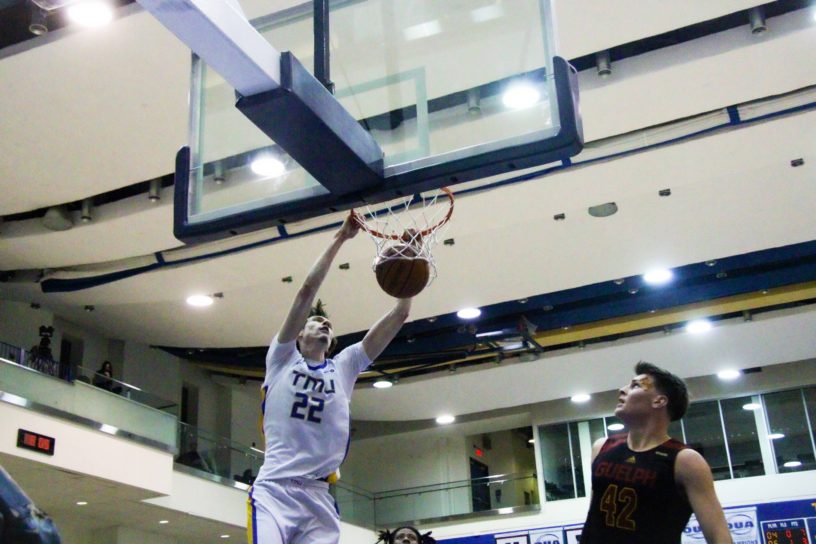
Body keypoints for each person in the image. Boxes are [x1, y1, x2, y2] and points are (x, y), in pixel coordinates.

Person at [248, 214, 414, 544]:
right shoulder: (282, 359)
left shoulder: (343, 367)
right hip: (275, 490)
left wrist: (409, 267)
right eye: (317, 321)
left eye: (329, 325)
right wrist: (340, 239)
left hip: (319, 496)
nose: (324, 324)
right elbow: (305, 292)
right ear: (298, 335)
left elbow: (400, 314)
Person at [580, 362, 732, 544]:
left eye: (635, 385)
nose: (622, 390)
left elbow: (718, 535)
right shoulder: (602, 447)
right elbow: (594, 519)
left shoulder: (685, 460)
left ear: (659, 401)